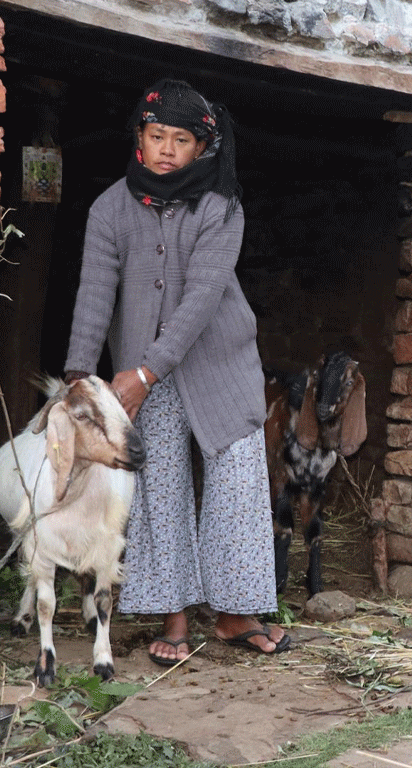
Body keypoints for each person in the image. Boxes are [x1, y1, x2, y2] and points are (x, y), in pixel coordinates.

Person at [64, 78, 289, 665]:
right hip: (139, 372)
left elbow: (203, 297)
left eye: (180, 139)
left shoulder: (222, 206)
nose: (166, 148)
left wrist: (146, 371)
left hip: (219, 360)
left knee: (237, 480)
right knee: (158, 485)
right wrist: (80, 376)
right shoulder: (110, 208)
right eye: (156, 134)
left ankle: (236, 612)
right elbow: (94, 295)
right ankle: (175, 616)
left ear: (201, 147)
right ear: (139, 137)